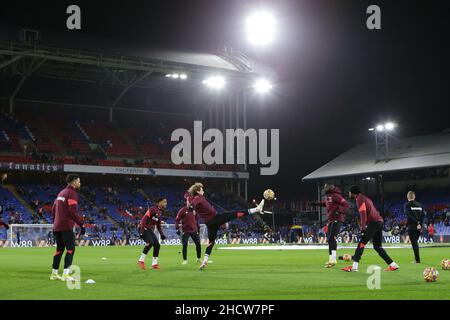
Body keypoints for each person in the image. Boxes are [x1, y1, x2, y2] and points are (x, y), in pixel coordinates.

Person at [187, 182, 265, 271]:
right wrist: (191, 206)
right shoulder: (198, 198)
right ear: (198, 191)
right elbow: (192, 206)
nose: (203, 191)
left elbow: (191, 205)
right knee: (234, 214)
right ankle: (256, 209)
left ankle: (205, 260)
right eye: (202, 189)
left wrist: (190, 205)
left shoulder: (198, 197)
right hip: (215, 219)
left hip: (210, 223)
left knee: (211, 243)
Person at [342, 185, 399, 272]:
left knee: (361, 243)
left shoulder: (359, 199)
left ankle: (354, 267)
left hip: (374, 223)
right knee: (377, 247)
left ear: (353, 193)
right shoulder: (365, 198)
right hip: (379, 221)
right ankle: (393, 265)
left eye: (349, 192)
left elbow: (363, 214)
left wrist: (363, 228)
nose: (349, 194)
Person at [50, 174, 85, 281]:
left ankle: (54, 274)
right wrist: (81, 224)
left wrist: (55, 222)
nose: (80, 183)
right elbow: (72, 211)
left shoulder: (61, 192)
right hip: (66, 226)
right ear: (74, 182)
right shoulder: (72, 193)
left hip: (57, 226)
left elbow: (53, 209)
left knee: (59, 250)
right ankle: (65, 274)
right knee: (70, 250)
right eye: (78, 181)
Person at [313, 184, 349, 268]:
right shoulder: (328, 196)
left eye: (325, 187)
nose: (324, 189)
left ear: (329, 188)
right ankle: (330, 259)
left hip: (337, 219)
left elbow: (345, 204)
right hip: (331, 220)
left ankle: (333, 259)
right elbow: (327, 204)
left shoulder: (336, 195)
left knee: (332, 238)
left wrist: (339, 211)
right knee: (329, 239)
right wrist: (316, 204)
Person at [137, 197, 167, 270]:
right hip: (143, 227)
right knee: (150, 243)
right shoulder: (152, 209)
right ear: (159, 202)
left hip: (149, 229)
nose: (166, 203)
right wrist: (141, 231)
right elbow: (144, 219)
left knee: (157, 245)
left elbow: (158, 225)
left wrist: (162, 234)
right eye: (164, 202)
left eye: (166, 202)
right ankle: (141, 261)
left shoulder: (160, 212)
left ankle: (154, 264)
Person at [175, 194, 201, 265]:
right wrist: (177, 229)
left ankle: (198, 259)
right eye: (190, 202)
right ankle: (185, 260)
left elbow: (197, 220)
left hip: (194, 230)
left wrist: (198, 228)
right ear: (187, 202)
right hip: (185, 231)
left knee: (198, 244)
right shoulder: (182, 210)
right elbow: (177, 220)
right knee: (185, 245)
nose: (191, 204)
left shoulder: (194, 211)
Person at [404, 191, 424, 263]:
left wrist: (416, 222)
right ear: (414, 197)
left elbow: (409, 215)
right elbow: (423, 215)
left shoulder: (407, 205)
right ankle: (417, 259)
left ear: (407, 197)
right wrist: (420, 223)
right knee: (416, 242)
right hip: (419, 227)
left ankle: (417, 260)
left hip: (412, 226)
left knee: (414, 243)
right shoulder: (420, 204)